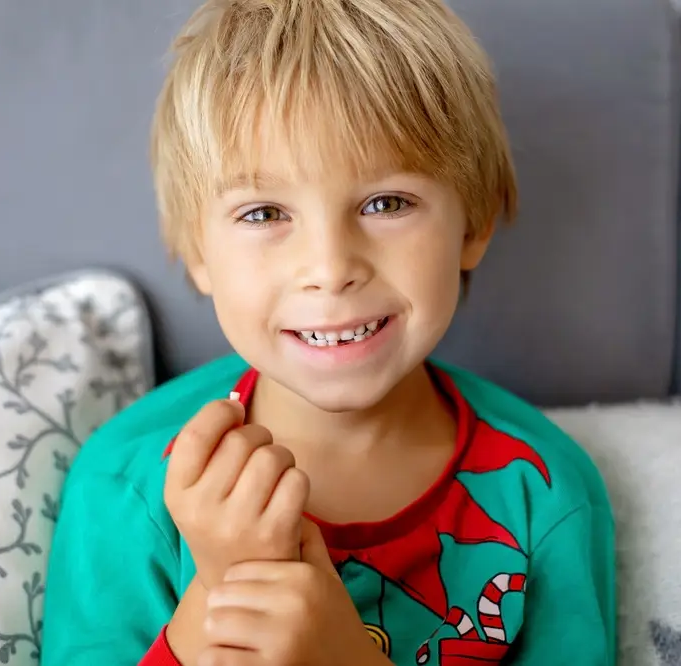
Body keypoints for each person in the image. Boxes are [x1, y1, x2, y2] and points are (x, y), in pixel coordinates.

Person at [40, 0, 617, 664]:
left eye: (386, 203)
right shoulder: (125, 485)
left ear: (473, 224)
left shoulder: (546, 491)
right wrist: (208, 623)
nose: (330, 268)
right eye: (263, 213)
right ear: (198, 253)